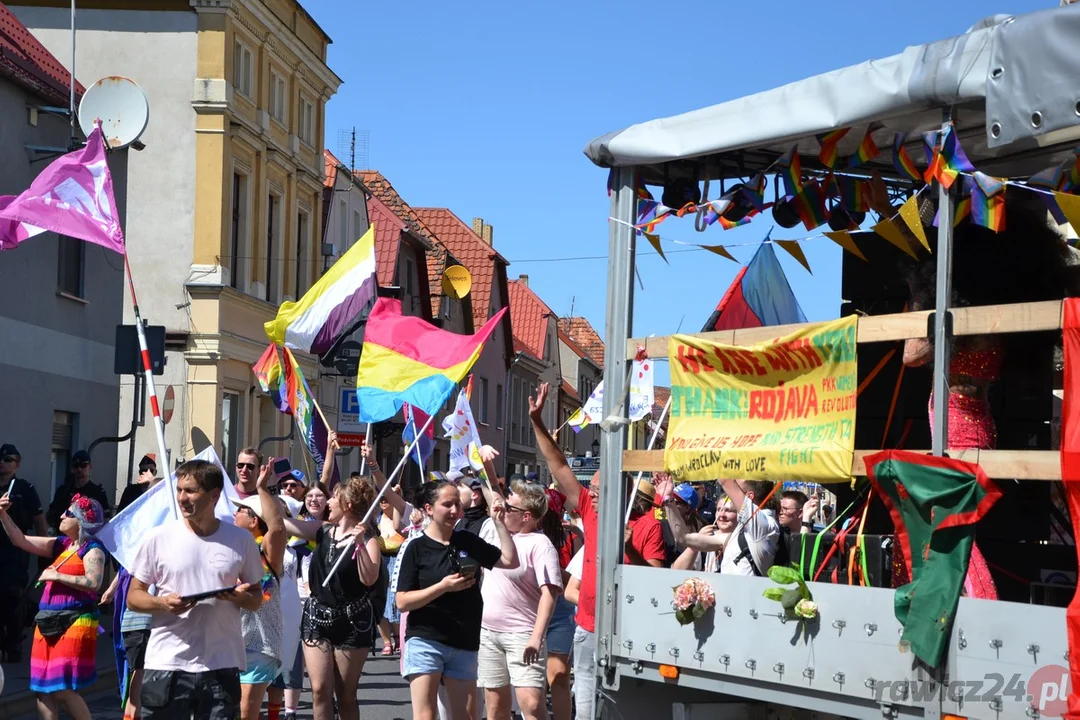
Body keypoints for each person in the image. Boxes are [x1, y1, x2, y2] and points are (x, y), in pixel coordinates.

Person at [127, 460, 265, 720]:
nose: (182, 498)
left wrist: (239, 597)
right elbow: (134, 597)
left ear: (214, 495)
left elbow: (257, 598)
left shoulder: (241, 540)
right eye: (179, 490)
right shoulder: (158, 538)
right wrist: (162, 603)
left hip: (221, 663)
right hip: (167, 662)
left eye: (190, 491)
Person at [395, 481, 519, 720]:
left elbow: (509, 561)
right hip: (426, 639)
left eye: (458, 505)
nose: (455, 511)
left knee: (463, 715)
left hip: (464, 640)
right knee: (425, 715)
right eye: (447, 505)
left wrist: (499, 523)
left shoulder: (467, 540)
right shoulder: (416, 547)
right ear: (429, 509)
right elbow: (402, 601)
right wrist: (442, 587)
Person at [0, 492, 106, 720]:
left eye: (69, 513)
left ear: (82, 521)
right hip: (47, 621)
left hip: (74, 622)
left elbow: (94, 582)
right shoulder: (62, 545)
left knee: (61, 688)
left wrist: (58, 577)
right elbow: (20, 539)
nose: (61, 515)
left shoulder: (92, 549)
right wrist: (1, 514)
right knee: (41, 689)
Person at [527, 383, 599, 720]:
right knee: (582, 706)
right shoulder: (588, 507)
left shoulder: (630, 520)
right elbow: (558, 466)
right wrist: (537, 422)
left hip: (619, 625)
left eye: (601, 488)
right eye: (592, 488)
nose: (593, 493)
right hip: (586, 624)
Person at [284, 477, 382, 720]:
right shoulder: (323, 530)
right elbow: (283, 524)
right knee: (319, 690)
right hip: (318, 617)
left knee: (346, 694)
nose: (328, 502)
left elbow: (369, 579)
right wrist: (263, 491)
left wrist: (359, 545)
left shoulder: (369, 541)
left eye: (334, 498)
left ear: (347, 504)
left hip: (352, 621)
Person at [479, 480, 562, 720]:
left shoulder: (541, 544)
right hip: (489, 632)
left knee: (532, 704)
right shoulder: (501, 532)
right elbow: (490, 488)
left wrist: (536, 637)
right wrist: (482, 460)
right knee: (495, 707)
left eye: (509, 508)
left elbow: (550, 593)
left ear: (526, 516)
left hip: (522, 633)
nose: (503, 510)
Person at [101, 467, 164, 720]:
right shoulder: (143, 530)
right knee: (136, 674)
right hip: (136, 615)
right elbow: (129, 564)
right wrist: (112, 587)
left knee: (152, 680)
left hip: (161, 618)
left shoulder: (172, 531)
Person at [232, 460, 287, 720]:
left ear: (254, 520)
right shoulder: (229, 550)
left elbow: (277, 529)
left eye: (240, 511)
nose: (234, 515)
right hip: (228, 641)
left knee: (246, 710)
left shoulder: (266, 553)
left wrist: (262, 488)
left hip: (259, 645)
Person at [0, 443, 46, 663]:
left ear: (16, 464)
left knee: (15, 596)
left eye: (8, 460)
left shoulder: (24, 488)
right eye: (1, 459)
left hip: (16, 551)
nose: (2, 463)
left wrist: (45, 551)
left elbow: (39, 521)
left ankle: (14, 641)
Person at [540, 488, 581, 720]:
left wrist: (555, 568)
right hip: (531, 611)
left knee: (559, 674)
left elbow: (576, 577)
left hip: (561, 610)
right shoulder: (523, 534)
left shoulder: (570, 537)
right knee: (534, 680)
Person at [47, 450, 111, 531]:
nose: (79, 469)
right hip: (65, 535)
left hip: (88, 536)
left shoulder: (98, 492)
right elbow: (51, 515)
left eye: (83, 465)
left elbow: (106, 520)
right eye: (76, 466)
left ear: (90, 467)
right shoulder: (63, 491)